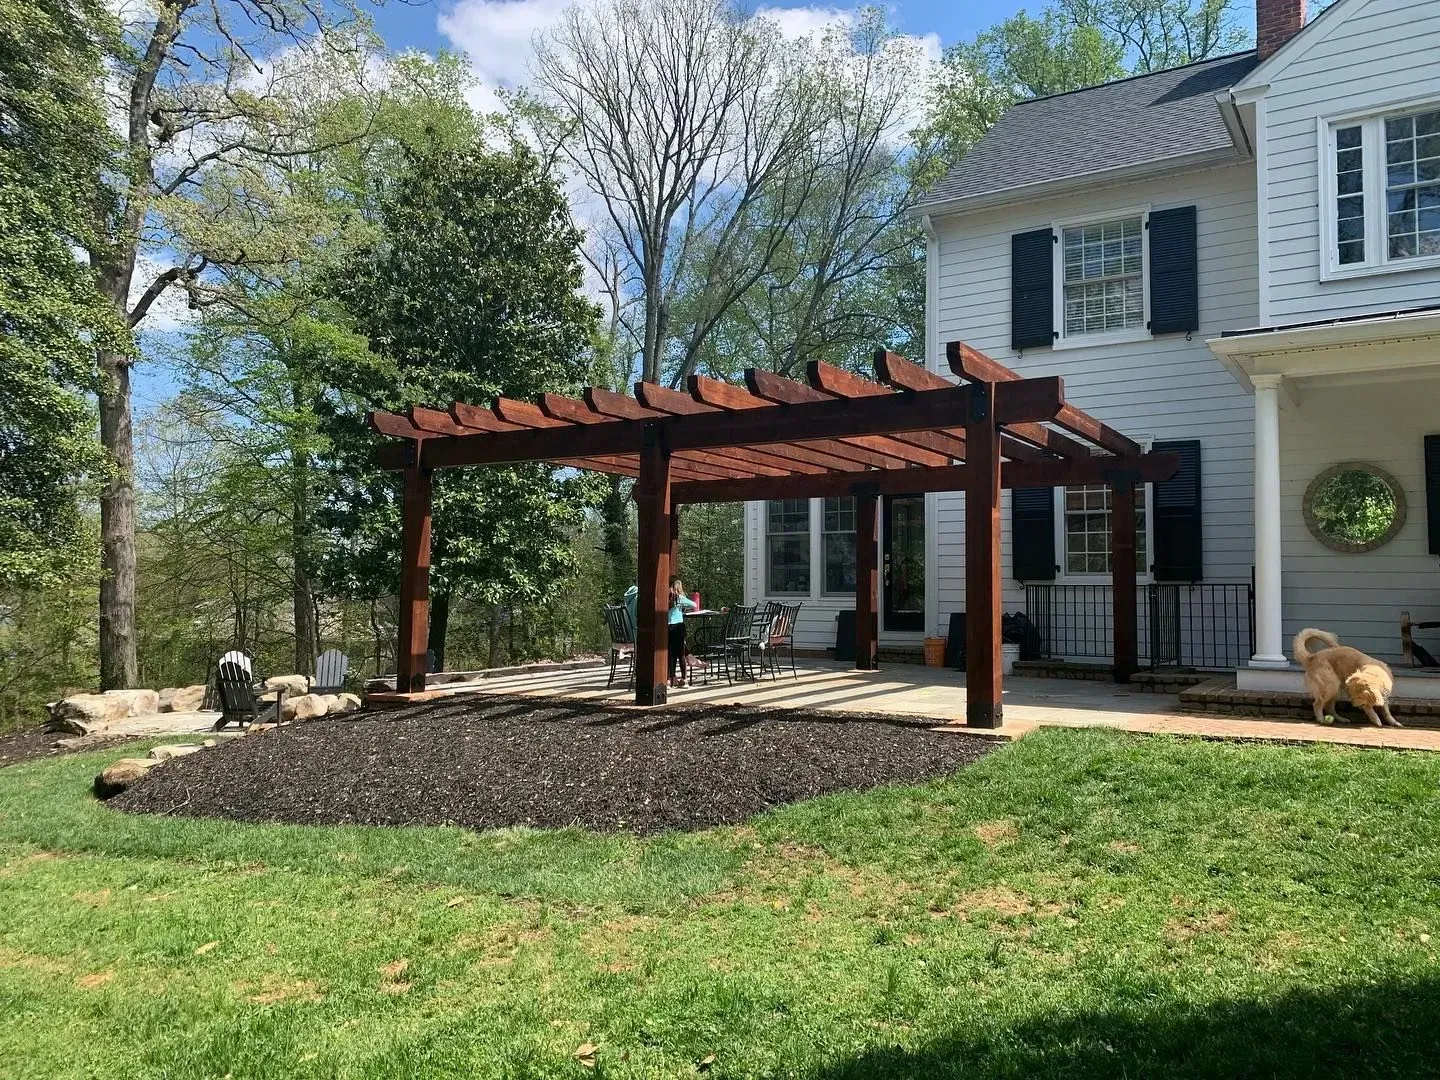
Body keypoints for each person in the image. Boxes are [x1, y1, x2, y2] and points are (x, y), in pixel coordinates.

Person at [668, 577, 697, 687]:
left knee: (671, 655)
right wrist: (682, 606)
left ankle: (672, 678)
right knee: (680, 654)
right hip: (679, 627)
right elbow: (694, 605)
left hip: (668, 628)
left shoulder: (666, 597)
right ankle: (684, 679)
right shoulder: (680, 598)